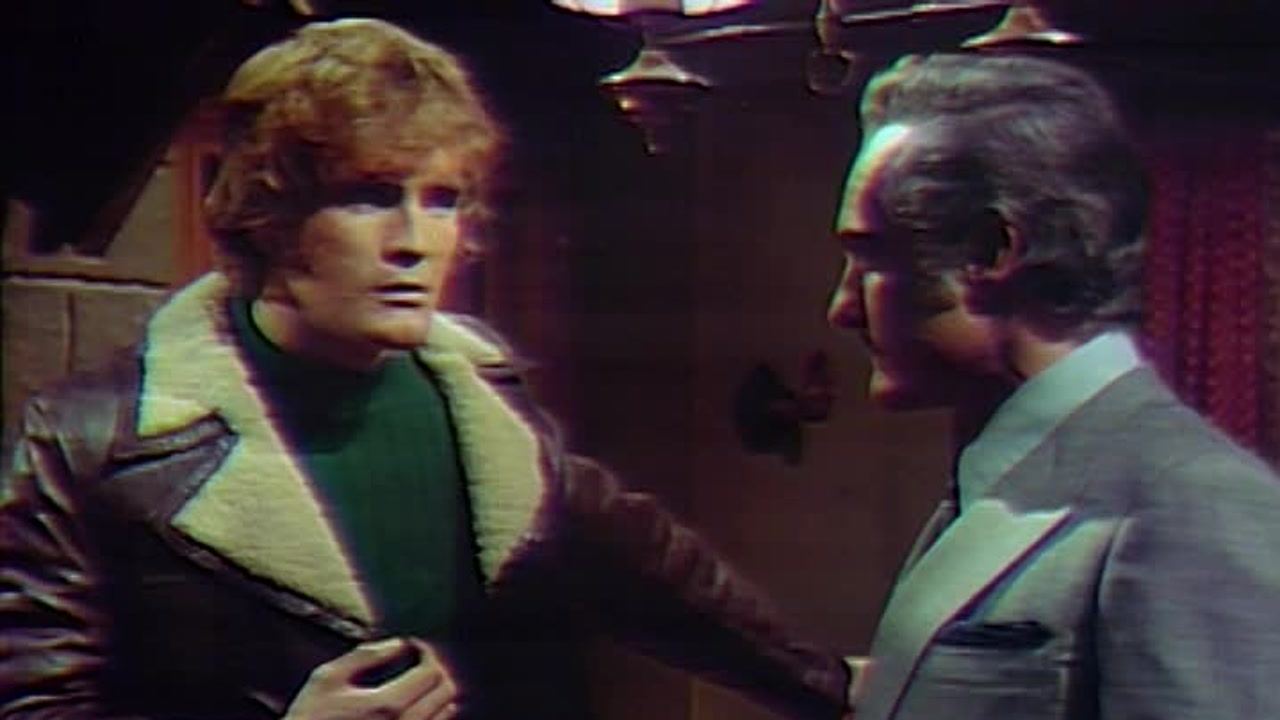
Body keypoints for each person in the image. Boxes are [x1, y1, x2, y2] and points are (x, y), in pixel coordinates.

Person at [0, 18, 849, 720]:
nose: (414, 242)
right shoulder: (97, 440)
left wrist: (841, 690)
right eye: (371, 196)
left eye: (441, 201)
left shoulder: (488, 409)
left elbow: (662, 579)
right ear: (268, 212)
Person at [827, 53, 1280, 720]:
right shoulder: (1001, 480)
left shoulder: (1191, 503)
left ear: (991, 252)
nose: (840, 308)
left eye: (870, 259)